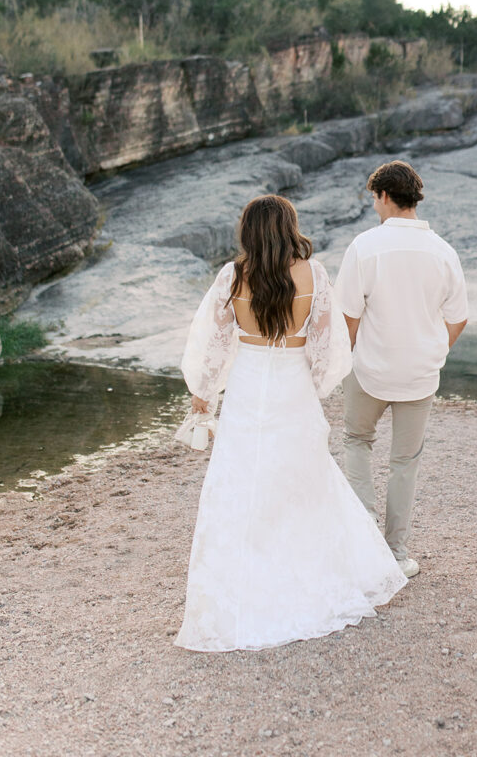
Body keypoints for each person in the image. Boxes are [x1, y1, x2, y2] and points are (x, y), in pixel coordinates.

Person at [174, 195, 407, 652]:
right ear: (288, 227)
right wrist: (312, 385)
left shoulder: (232, 276)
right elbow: (327, 346)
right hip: (291, 385)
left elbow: (215, 343)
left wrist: (204, 397)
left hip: (245, 386)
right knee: (302, 482)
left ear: (249, 231)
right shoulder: (313, 274)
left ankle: (244, 585)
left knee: (242, 483)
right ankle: (306, 578)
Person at [334, 161, 468, 579]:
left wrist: (344, 358)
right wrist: (433, 351)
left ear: (385, 196)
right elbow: (459, 317)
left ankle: (363, 544)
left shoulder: (365, 246)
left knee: (357, 441)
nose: (374, 205)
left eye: (374, 198)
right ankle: (395, 554)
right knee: (404, 461)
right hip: (419, 374)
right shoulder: (444, 251)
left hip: (371, 368)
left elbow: (348, 317)